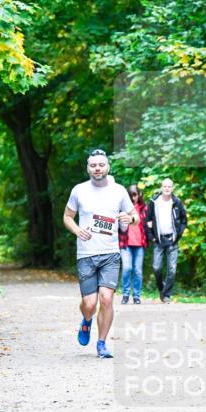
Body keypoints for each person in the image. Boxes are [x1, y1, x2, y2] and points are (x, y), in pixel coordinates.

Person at [62, 149, 138, 358]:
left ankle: (102, 343)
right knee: (90, 304)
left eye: (101, 165)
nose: (97, 168)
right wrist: (77, 230)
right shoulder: (79, 190)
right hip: (86, 254)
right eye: (93, 165)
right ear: (88, 168)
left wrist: (129, 219)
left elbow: (135, 216)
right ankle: (86, 321)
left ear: (108, 167)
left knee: (106, 300)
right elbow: (67, 216)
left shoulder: (119, 191)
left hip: (110, 254)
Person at [146, 178, 187, 303]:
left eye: (169, 186)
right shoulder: (154, 202)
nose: (167, 188)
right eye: (165, 186)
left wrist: (178, 235)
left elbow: (184, 220)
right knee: (156, 267)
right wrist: (152, 238)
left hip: (172, 240)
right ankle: (162, 289)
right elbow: (147, 222)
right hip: (158, 240)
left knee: (172, 269)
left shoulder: (177, 202)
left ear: (172, 188)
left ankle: (166, 295)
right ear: (161, 187)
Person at [118, 184, 148, 305]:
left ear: (139, 194)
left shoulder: (144, 208)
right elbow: (118, 227)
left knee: (138, 271)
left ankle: (136, 296)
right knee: (126, 268)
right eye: (130, 195)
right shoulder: (123, 208)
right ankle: (125, 294)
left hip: (140, 244)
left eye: (134, 194)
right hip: (125, 244)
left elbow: (149, 224)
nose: (132, 197)